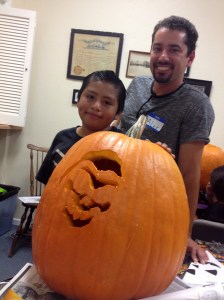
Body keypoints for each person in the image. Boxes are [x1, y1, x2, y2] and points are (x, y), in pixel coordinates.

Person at [120, 15, 215, 263]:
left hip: (153, 209)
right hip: (116, 193)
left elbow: (189, 175)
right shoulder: (137, 85)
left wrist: (185, 233)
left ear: (189, 58)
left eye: (174, 50)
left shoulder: (197, 106)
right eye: (157, 48)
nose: (163, 57)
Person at [36, 70, 126, 185]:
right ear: (78, 99)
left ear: (118, 113)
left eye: (107, 102)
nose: (96, 106)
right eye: (90, 97)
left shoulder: (124, 146)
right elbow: (48, 185)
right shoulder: (62, 138)